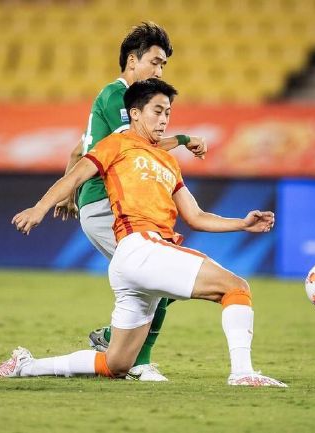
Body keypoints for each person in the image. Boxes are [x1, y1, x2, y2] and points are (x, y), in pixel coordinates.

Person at [0, 78, 286, 387]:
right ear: (134, 113)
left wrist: (241, 223)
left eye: (168, 113)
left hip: (133, 263)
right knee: (236, 287)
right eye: (156, 111)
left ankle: (24, 366)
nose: (163, 119)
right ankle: (242, 374)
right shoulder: (116, 145)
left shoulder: (168, 160)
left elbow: (196, 216)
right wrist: (39, 209)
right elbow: (76, 175)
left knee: (116, 363)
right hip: (140, 246)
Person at [54, 22, 207, 381]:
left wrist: (68, 193)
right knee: (161, 279)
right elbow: (138, 146)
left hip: (106, 206)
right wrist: (183, 138)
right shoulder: (116, 95)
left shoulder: (115, 100)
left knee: (158, 281)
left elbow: (79, 147)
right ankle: (136, 360)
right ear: (132, 61)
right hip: (106, 206)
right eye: (154, 62)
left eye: (163, 66)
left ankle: (113, 341)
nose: (158, 70)